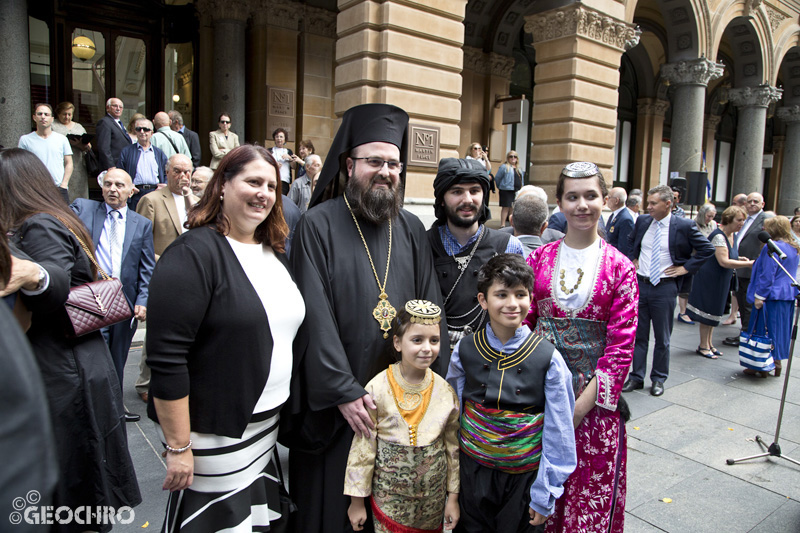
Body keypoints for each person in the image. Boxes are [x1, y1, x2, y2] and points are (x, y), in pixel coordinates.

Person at [286, 103, 447, 533]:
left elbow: (430, 305)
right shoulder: (317, 224)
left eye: (393, 163)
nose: (386, 172)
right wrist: (341, 389)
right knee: (331, 514)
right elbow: (311, 313)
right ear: (348, 164)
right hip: (341, 407)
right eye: (374, 161)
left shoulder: (411, 227)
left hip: (401, 398)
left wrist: (428, 378)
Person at [146, 144, 303, 531]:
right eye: (253, 181)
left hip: (265, 428)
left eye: (272, 185)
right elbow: (166, 359)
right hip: (214, 435)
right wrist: (178, 447)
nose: (263, 193)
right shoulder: (192, 254)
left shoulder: (275, 252)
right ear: (222, 185)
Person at [0, 147, 141, 529]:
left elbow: (54, 287)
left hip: (67, 367)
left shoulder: (38, 224)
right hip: (77, 361)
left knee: (77, 480)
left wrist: (33, 276)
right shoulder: (51, 218)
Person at [525, 162, 636, 533]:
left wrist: (573, 413)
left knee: (585, 503)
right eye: (572, 197)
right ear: (559, 203)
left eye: (590, 195)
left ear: (604, 199)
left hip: (591, 407)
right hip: (537, 396)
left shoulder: (621, 269)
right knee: (531, 503)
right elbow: (523, 325)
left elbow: (620, 351)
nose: (582, 205)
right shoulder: (538, 259)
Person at [448, 254, 577, 532]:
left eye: (520, 294)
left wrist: (544, 493)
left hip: (524, 480)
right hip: (472, 472)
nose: (511, 304)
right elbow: (452, 414)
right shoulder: (465, 349)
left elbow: (560, 429)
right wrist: (453, 484)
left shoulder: (549, 358)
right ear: (483, 300)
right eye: (501, 294)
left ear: (531, 298)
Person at [345, 300, 460, 532]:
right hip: (389, 500)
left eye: (434, 340)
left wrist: (453, 498)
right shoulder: (377, 388)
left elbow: (452, 448)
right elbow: (363, 448)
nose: (427, 348)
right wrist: (356, 502)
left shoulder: (446, 391)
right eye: (417, 340)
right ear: (397, 342)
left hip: (433, 502)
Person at [71, 169, 155, 409]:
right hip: (90, 296)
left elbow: (146, 267)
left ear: (131, 191)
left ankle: (114, 407)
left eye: (119, 185)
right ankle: (91, 408)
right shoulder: (85, 210)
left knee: (117, 359)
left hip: (124, 301)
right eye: (108, 184)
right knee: (90, 357)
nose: (113, 189)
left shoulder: (142, 225)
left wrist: (143, 299)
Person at [623, 185, 715, 396]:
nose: (649, 207)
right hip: (640, 285)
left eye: (653, 203)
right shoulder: (643, 221)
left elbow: (707, 249)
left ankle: (658, 378)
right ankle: (636, 377)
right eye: (648, 203)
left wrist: (685, 268)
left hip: (664, 288)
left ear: (668, 204)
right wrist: (633, 258)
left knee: (663, 338)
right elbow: (631, 241)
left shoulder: (683, 225)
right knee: (639, 336)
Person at [428, 157, 524, 350]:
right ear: (442, 198)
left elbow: (518, 310)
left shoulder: (508, 246)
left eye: (475, 191)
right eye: (457, 192)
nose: (467, 200)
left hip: (490, 357)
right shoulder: (422, 244)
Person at [685, 206, 752, 358]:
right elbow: (724, 262)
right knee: (708, 312)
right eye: (739, 220)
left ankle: (709, 343)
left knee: (715, 312)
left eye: (743, 220)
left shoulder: (731, 235)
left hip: (721, 279)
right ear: (729, 219)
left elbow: (729, 256)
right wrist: (749, 264)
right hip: (711, 279)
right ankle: (703, 345)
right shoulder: (719, 236)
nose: (741, 223)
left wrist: (739, 259)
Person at [744, 216, 800, 377]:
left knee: (763, 329)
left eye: (767, 227)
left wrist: (759, 297)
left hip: (771, 295)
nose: (764, 229)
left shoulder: (771, 247)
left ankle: (760, 365)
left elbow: (767, 275)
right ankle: (777, 363)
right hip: (786, 295)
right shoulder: (793, 247)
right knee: (780, 329)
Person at [723, 192, 766, 347]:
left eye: (756, 201)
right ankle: (744, 332)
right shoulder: (745, 219)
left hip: (752, 268)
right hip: (740, 266)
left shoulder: (765, 219)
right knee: (741, 301)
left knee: (748, 304)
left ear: (763, 204)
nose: (752, 204)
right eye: (749, 201)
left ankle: (747, 335)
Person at [135, 154, 196, 259]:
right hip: (162, 266)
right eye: (177, 171)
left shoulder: (197, 201)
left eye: (186, 172)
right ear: (167, 173)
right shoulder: (151, 200)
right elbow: (140, 242)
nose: (182, 176)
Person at [18, 103, 73, 200]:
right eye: (40, 114)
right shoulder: (25, 140)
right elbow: (21, 165)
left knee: (62, 215)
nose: (43, 117)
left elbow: (69, 163)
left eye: (46, 114)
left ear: (52, 119)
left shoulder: (62, 139)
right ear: (34, 117)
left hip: (58, 188)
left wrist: (64, 184)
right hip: (35, 189)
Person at [118, 117, 169, 210]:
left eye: (146, 129)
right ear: (135, 132)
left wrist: (165, 184)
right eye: (138, 129)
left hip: (155, 193)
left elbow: (168, 172)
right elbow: (120, 173)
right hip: (135, 195)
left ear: (151, 133)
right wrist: (128, 185)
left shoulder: (159, 153)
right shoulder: (126, 151)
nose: (142, 132)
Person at [52, 101, 91, 201]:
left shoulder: (78, 127)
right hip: (60, 164)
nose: (67, 117)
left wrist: (81, 145)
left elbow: (88, 147)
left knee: (79, 193)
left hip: (78, 165)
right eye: (64, 114)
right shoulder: (53, 126)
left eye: (69, 114)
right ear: (58, 114)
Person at [96, 97, 134, 171]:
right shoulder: (105, 122)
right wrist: (110, 165)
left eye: (120, 107)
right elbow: (104, 147)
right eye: (115, 106)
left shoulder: (119, 123)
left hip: (123, 164)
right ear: (108, 108)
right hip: (113, 166)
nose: (118, 108)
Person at [494, 150, 521, 227]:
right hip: (506, 190)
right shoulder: (504, 167)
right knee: (506, 207)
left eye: (515, 156)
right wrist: (501, 186)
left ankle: (511, 224)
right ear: (508, 158)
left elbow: (520, 179)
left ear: (517, 158)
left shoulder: (519, 168)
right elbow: (497, 178)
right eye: (511, 156)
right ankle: (502, 224)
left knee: (513, 207)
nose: (513, 158)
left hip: (516, 190)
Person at [605, 187, 634, 257]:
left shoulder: (625, 219)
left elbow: (624, 247)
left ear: (616, 201)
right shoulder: (614, 215)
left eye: (609, 198)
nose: (607, 200)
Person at [271, 127, 293, 195]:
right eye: (277, 136)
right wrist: (275, 165)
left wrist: (290, 158)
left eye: (281, 137)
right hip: (273, 178)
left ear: (284, 139)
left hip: (284, 180)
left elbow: (294, 166)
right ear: (274, 138)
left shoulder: (289, 151)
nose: (279, 139)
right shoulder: (270, 151)